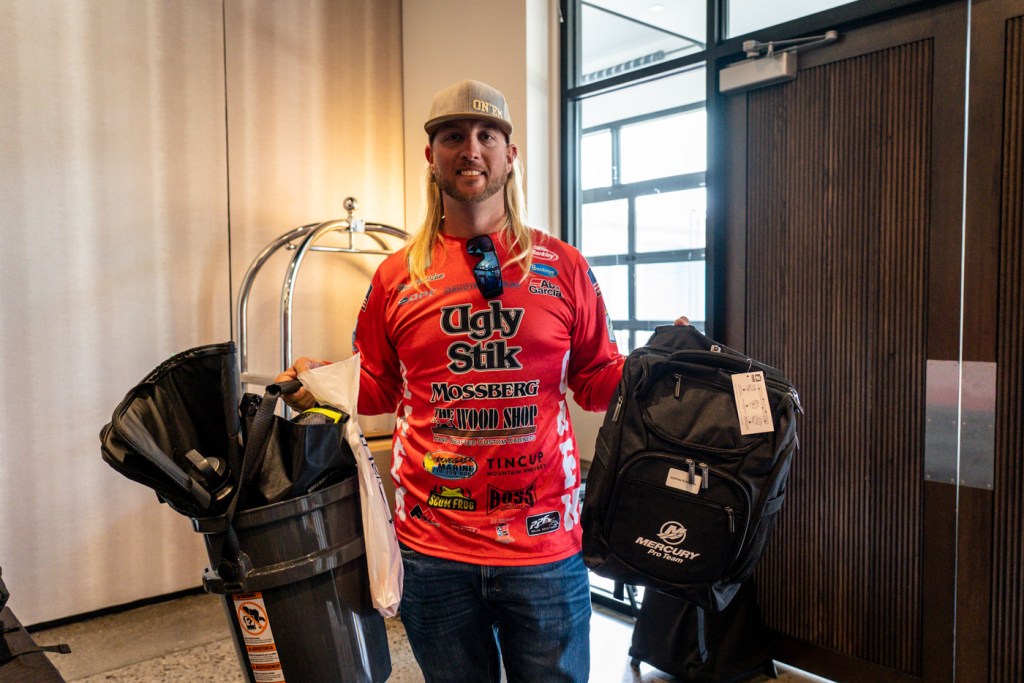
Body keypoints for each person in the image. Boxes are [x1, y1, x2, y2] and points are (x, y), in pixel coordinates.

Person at [277, 79, 688, 683]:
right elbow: (379, 389)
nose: (470, 149)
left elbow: (596, 380)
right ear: (431, 156)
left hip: (544, 546)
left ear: (509, 155)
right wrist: (321, 382)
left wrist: (656, 365)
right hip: (432, 547)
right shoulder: (396, 276)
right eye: (453, 136)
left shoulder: (563, 266)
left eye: (486, 135)